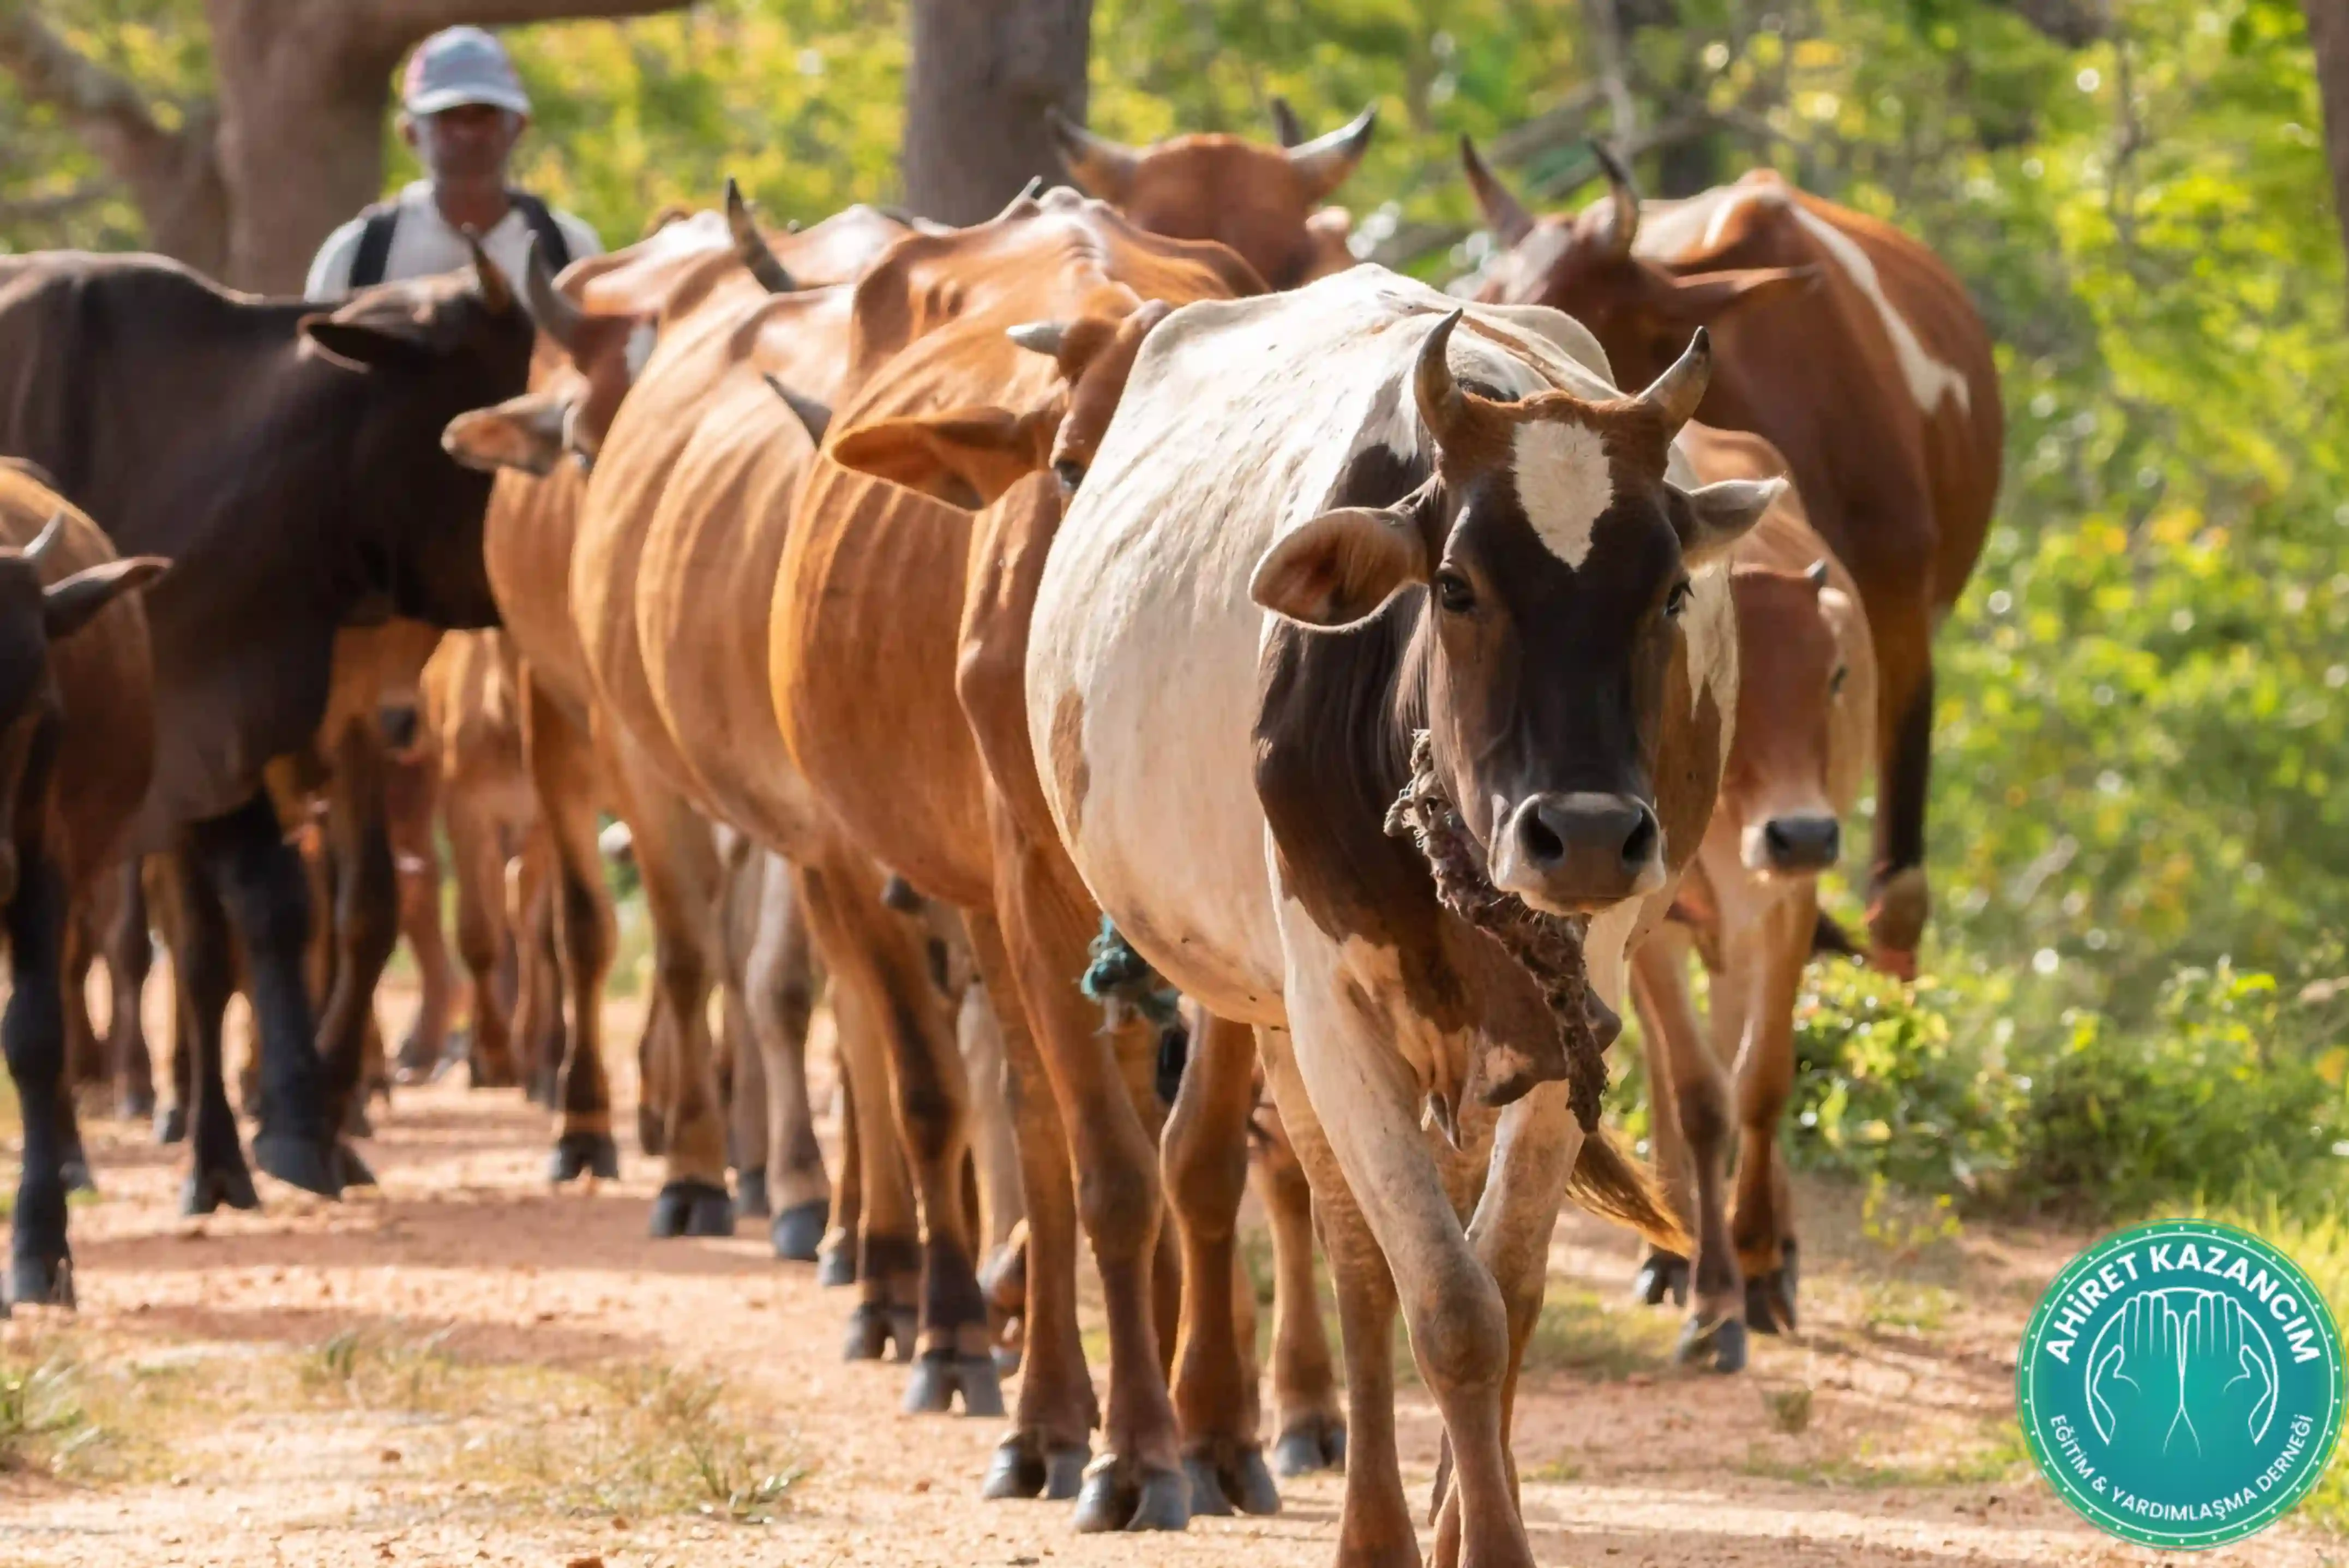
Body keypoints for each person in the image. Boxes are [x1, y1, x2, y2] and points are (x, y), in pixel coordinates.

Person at [304, 26, 602, 300]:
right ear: (409, 132)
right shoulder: (357, 256)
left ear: (520, 125)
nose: (467, 132)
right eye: (447, 115)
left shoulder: (572, 252)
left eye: (485, 113)